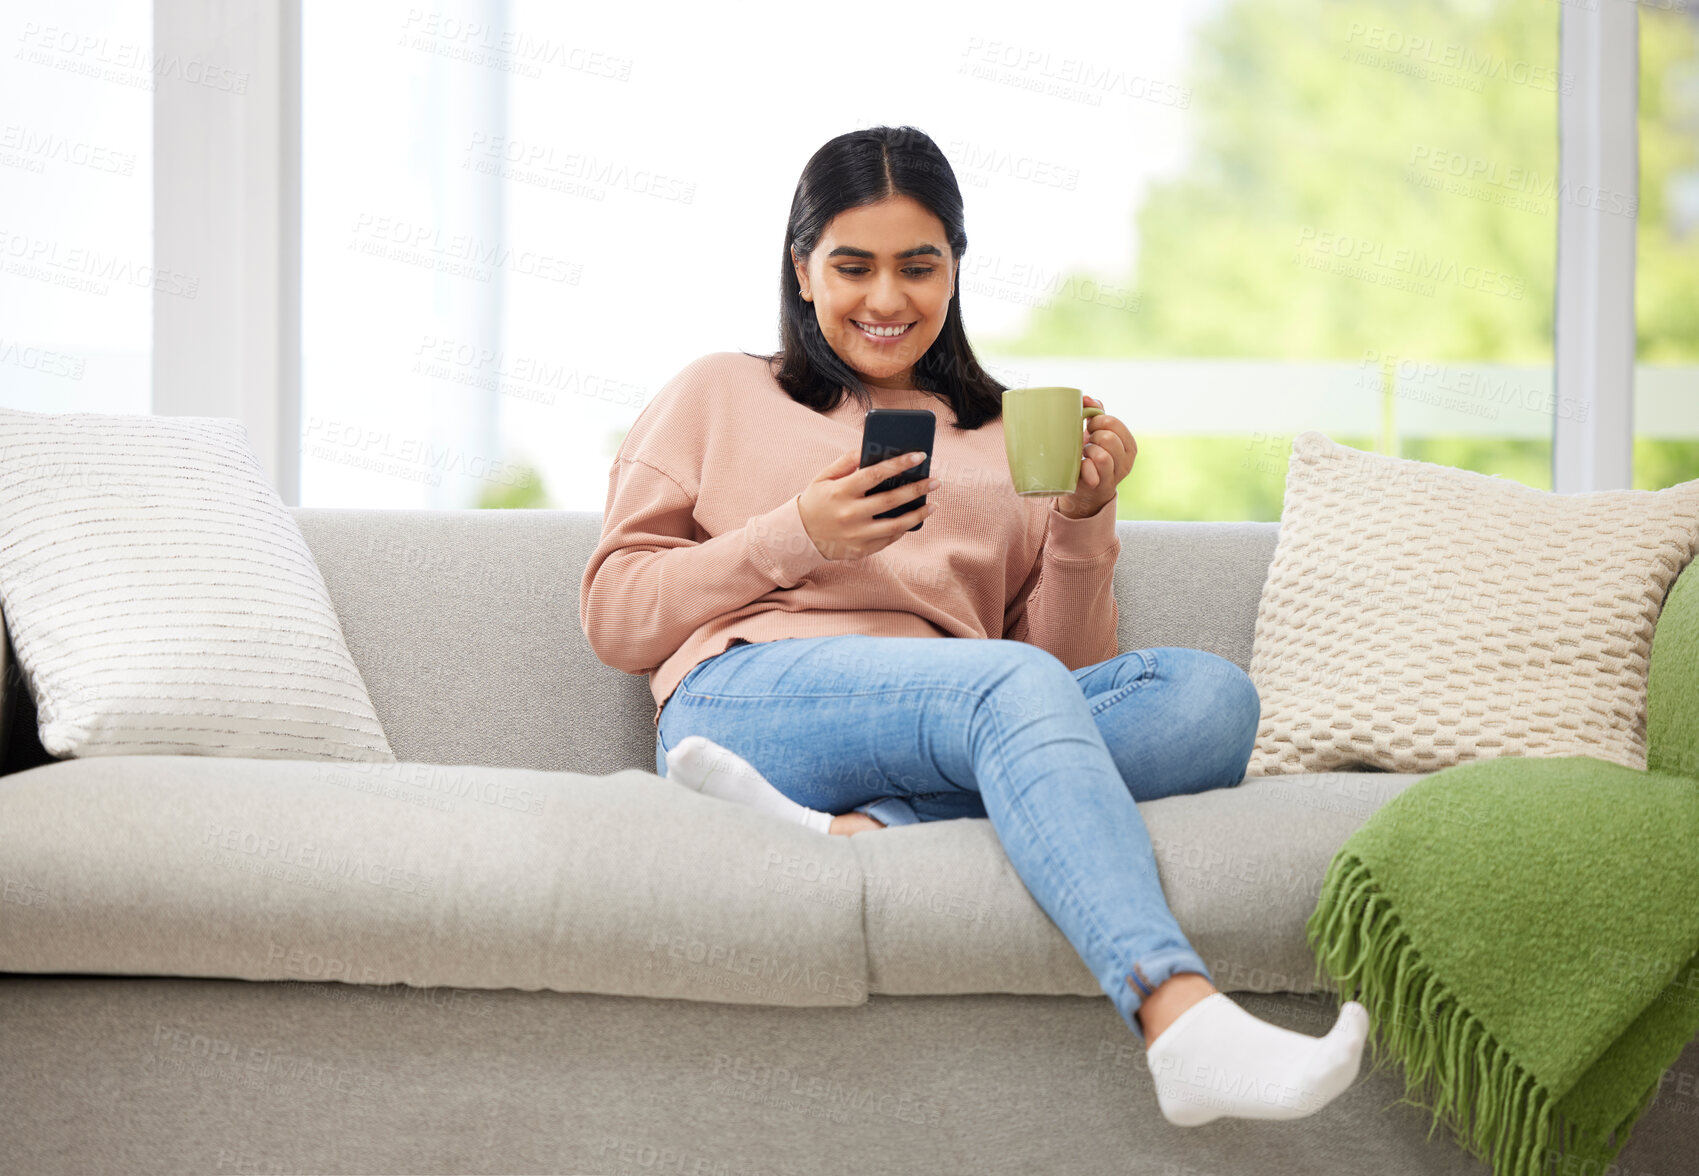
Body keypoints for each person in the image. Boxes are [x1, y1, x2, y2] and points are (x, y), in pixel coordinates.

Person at [579, 124, 1368, 1128]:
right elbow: (613, 617)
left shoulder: (1004, 435)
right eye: (851, 266)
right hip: (745, 701)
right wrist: (796, 536)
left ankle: (864, 832)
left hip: (957, 711)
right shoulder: (717, 392)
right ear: (801, 269)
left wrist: (1082, 522)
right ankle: (1176, 1013)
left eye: (919, 265)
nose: (885, 299)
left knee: (1213, 699)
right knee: (1004, 687)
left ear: (955, 268)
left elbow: (1061, 677)